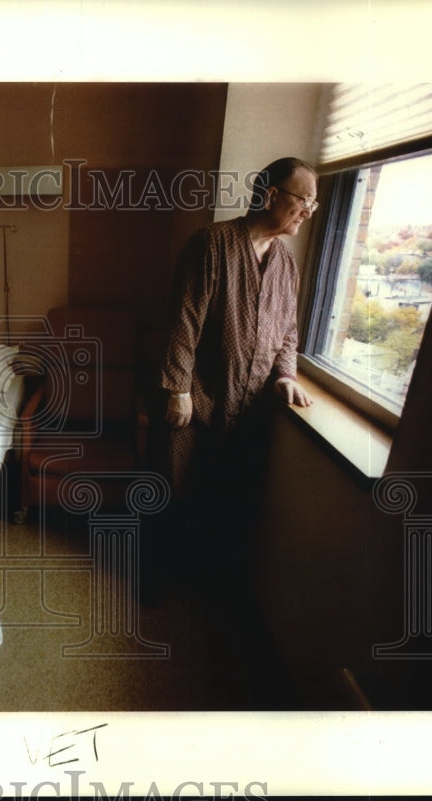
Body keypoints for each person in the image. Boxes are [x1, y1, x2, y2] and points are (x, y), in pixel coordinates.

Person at [146, 157, 316, 588]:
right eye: (304, 200)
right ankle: (154, 578)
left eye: (313, 205)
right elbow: (184, 319)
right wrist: (177, 389)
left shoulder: (286, 263)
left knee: (223, 496)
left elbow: (288, 331)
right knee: (173, 488)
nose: (308, 211)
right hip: (196, 397)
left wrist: (286, 375)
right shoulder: (212, 243)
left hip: (247, 405)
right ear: (272, 195)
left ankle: (201, 582)